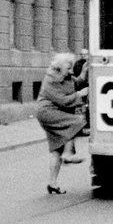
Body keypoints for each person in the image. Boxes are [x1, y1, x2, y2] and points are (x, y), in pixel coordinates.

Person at [35, 52, 88, 195]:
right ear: (60, 66)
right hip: (48, 112)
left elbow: (75, 83)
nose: (70, 70)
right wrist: (80, 95)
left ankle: (52, 183)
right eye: (68, 66)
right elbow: (62, 100)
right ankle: (68, 154)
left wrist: (83, 73)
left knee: (56, 149)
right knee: (77, 121)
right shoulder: (51, 80)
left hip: (52, 113)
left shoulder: (66, 77)